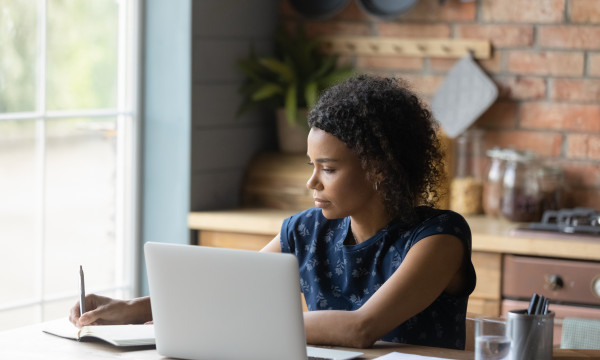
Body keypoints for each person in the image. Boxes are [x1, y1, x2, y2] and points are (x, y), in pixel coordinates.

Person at [70, 74, 476, 350]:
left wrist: (222, 327)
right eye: (311, 166)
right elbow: (226, 290)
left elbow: (360, 328)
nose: (312, 183)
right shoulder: (306, 231)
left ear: (380, 170)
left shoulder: (438, 237)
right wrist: (131, 309)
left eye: (329, 169)